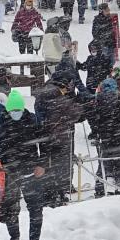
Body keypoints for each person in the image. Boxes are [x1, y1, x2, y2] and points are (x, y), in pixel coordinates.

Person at [0, 90, 48, 240]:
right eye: (12, 111)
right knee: (11, 209)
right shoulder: (2, 119)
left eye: (17, 110)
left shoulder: (32, 119)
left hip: (31, 170)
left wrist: (42, 164)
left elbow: (44, 143)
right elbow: (0, 144)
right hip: (10, 170)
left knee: (36, 209)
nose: (15, 114)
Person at [34, 73, 82, 206]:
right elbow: (75, 114)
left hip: (44, 136)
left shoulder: (43, 93)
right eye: (67, 88)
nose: (67, 91)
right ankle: (56, 195)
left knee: (47, 166)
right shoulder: (56, 95)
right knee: (58, 167)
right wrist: (78, 102)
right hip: (58, 137)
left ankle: (50, 194)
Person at [93, 79, 120, 193]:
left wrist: (97, 132)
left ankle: (99, 188)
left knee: (103, 163)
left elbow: (95, 119)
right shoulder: (116, 100)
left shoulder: (98, 100)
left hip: (105, 138)